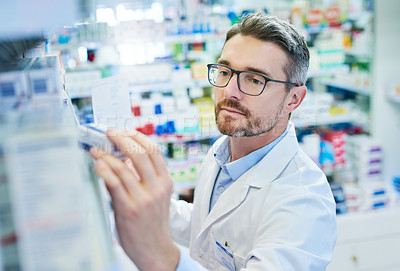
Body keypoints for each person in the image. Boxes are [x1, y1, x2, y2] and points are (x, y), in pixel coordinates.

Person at [90, 12, 337, 271]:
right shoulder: (223, 150)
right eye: (224, 71)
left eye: (254, 79)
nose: (230, 91)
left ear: (294, 99)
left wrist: (163, 258)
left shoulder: (304, 204)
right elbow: (207, 228)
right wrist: (146, 196)